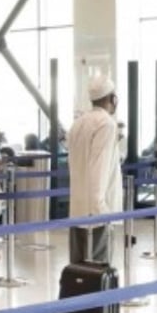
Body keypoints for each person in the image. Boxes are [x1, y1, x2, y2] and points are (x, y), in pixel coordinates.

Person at [67, 76, 123, 262]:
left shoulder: (79, 122)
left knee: (79, 268)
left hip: (78, 207)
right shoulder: (106, 123)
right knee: (97, 268)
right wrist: (101, 210)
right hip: (96, 210)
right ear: (112, 99)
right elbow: (98, 166)